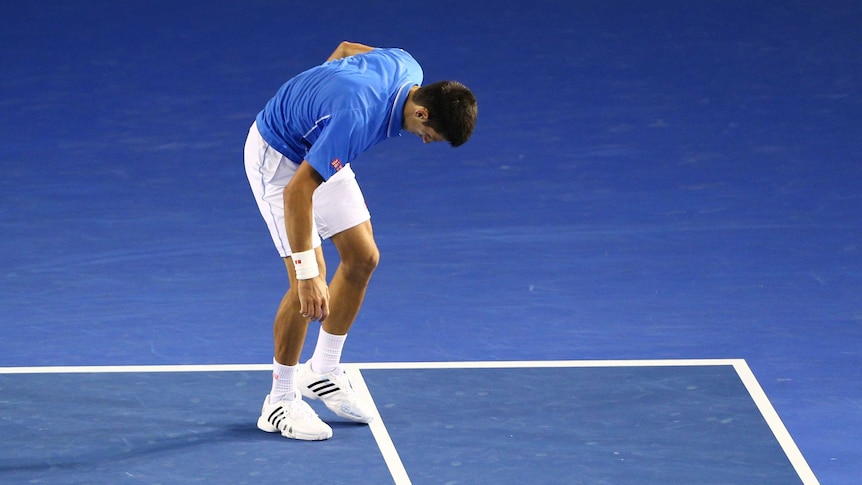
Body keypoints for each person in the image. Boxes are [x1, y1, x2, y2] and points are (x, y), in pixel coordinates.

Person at [244, 41, 477, 440]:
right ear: (421, 111)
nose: (425, 140)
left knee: (363, 257)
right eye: (429, 134)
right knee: (308, 285)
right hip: (278, 159)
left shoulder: (408, 65)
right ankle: (279, 401)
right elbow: (297, 192)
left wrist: (320, 104)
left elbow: (347, 49)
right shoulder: (356, 119)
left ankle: (322, 371)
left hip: (321, 149)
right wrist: (307, 273)